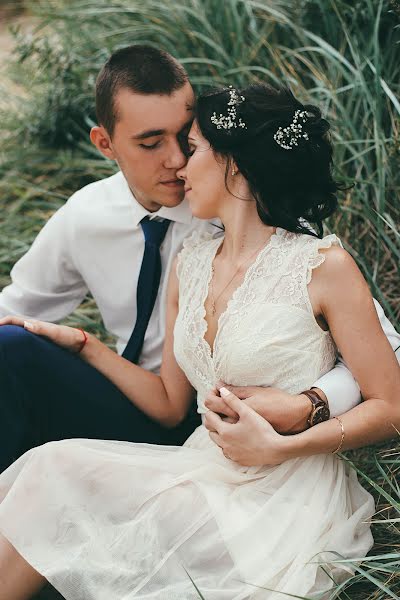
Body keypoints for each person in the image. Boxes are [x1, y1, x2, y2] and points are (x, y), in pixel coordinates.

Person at [0, 83, 399, 600]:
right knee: (48, 478)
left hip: (286, 494)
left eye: (193, 148)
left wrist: (286, 444)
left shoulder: (322, 265)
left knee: (54, 474)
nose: (180, 166)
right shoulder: (189, 263)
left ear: (234, 163)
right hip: (201, 467)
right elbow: (169, 405)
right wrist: (83, 344)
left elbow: (392, 403)